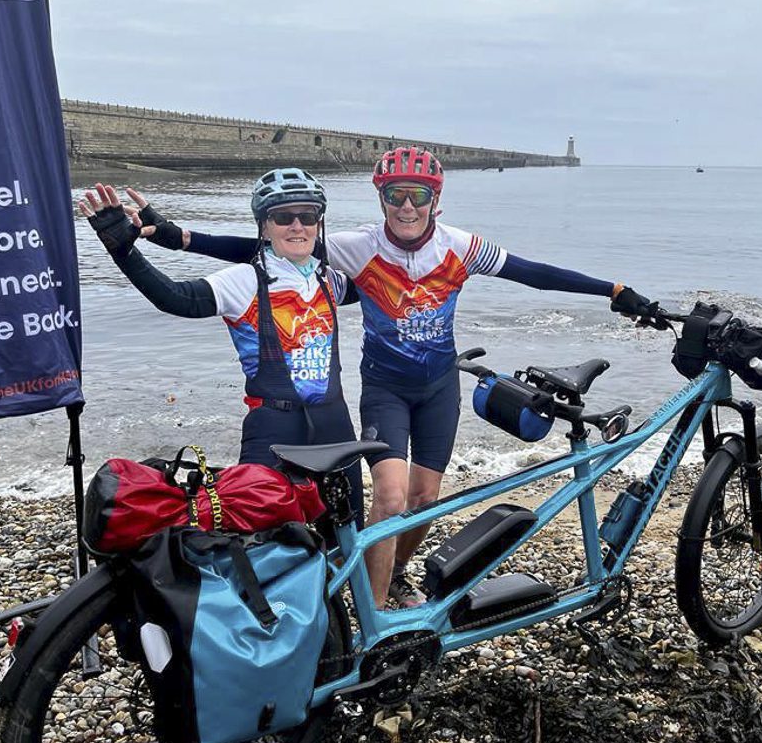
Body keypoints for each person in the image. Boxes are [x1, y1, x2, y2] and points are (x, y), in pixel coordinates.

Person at [131, 148, 655, 607]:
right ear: (382, 199)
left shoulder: (460, 246)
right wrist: (176, 236)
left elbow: (533, 273)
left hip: (438, 387)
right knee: (389, 498)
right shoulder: (353, 247)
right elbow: (261, 248)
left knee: (425, 500)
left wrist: (612, 290)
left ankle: (396, 572)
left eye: (419, 197)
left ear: (436, 201)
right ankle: (375, 614)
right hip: (385, 387)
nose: (407, 207)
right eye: (397, 196)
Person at [77, 169, 365, 523]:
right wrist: (123, 250)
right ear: (263, 226)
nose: (296, 226)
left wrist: (182, 237)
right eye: (282, 217)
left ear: (319, 224)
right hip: (274, 426)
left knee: (348, 530)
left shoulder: (331, 280)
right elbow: (175, 297)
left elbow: (391, 280)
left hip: (335, 421)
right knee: (265, 539)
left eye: (307, 216)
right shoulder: (244, 280)